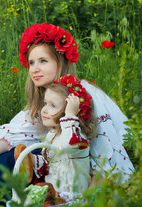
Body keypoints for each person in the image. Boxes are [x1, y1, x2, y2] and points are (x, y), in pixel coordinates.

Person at [0, 23, 135, 203]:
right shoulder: (41, 103)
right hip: (53, 169)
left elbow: (104, 151)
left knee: (11, 161)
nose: (34, 69)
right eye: (31, 63)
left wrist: (88, 198)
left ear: (60, 62)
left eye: (43, 61)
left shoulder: (83, 93)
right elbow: (13, 136)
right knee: (10, 158)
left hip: (79, 175)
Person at [22, 74, 97, 203]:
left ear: (71, 111)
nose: (44, 109)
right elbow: (52, 163)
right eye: (45, 103)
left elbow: (68, 146)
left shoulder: (78, 138)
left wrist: (70, 116)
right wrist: (33, 160)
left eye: (53, 106)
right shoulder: (52, 135)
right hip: (54, 195)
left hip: (74, 198)